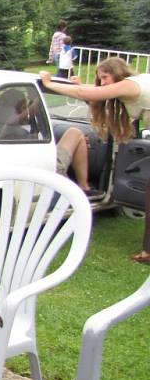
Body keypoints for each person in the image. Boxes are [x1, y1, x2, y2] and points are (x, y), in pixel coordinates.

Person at [41, 57, 150, 261]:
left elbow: (87, 93)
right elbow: (92, 93)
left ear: (118, 73)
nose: (103, 83)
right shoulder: (129, 86)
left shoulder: (130, 85)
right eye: (100, 79)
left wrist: (48, 83)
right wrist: (82, 88)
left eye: (105, 77)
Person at [1, 89, 97, 196]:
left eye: (27, 105)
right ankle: (83, 187)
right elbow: (21, 117)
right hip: (46, 169)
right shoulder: (9, 122)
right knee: (75, 133)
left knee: (78, 136)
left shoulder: (0, 123)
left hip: (37, 165)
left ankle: (81, 186)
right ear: (14, 108)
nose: (26, 109)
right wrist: (37, 98)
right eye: (23, 106)